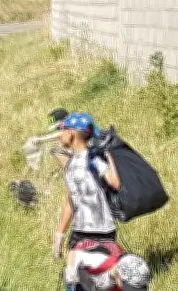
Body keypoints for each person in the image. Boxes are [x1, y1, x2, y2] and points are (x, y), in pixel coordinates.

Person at [54, 112, 122, 261]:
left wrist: (108, 153)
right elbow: (71, 200)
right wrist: (59, 234)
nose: (60, 135)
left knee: (98, 279)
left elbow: (114, 182)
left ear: (71, 133)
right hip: (80, 231)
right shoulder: (70, 164)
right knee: (75, 278)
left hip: (102, 231)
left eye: (62, 130)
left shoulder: (94, 158)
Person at [63, 239, 151, 291]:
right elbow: (73, 254)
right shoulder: (100, 261)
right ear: (118, 274)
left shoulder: (124, 273)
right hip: (82, 278)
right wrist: (71, 283)